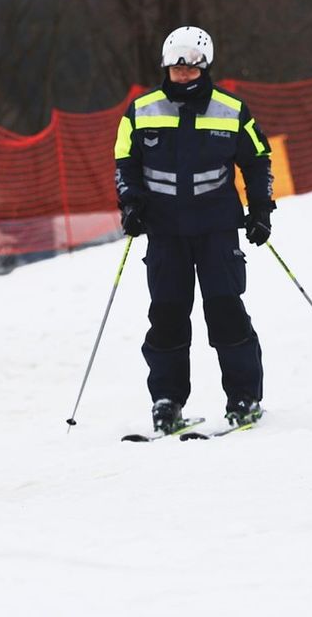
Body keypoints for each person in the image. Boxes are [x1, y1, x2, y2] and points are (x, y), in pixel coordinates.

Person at [113, 26, 275, 433]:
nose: (181, 75)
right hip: (165, 231)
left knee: (225, 311)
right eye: (175, 68)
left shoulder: (231, 109)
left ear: (204, 66)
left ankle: (244, 397)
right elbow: (125, 163)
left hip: (216, 228)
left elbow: (257, 161)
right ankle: (167, 401)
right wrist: (131, 204)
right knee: (167, 316)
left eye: (189, 68)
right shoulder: (141, 110)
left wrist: (260, 211)